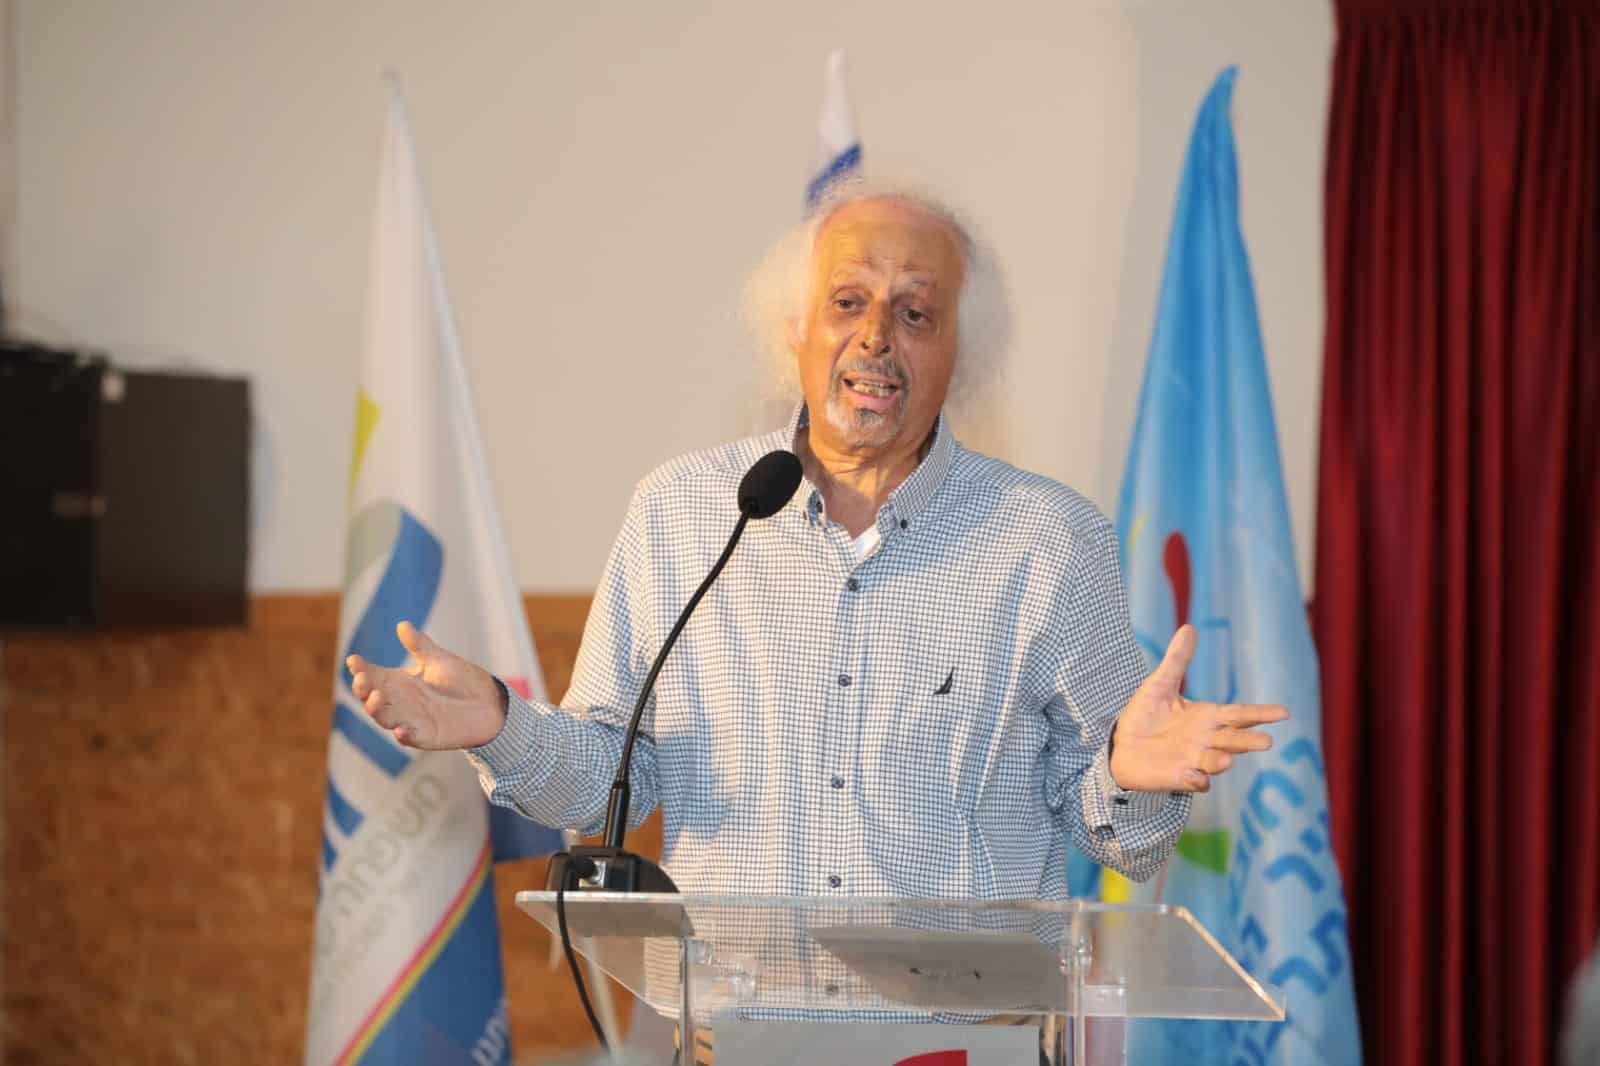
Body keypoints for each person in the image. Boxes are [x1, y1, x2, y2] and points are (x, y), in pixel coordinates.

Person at [346, 182, 1288, 902]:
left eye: (915, 313)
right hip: (733, 1027)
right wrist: (501, 725)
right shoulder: (681, 513)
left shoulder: (1049, 541)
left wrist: (1128, 775)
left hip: (959, 1039)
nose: (876, 337)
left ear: (961, 352)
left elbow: (1122, 839)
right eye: (847, 302)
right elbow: (604, 788)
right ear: (792, 330)